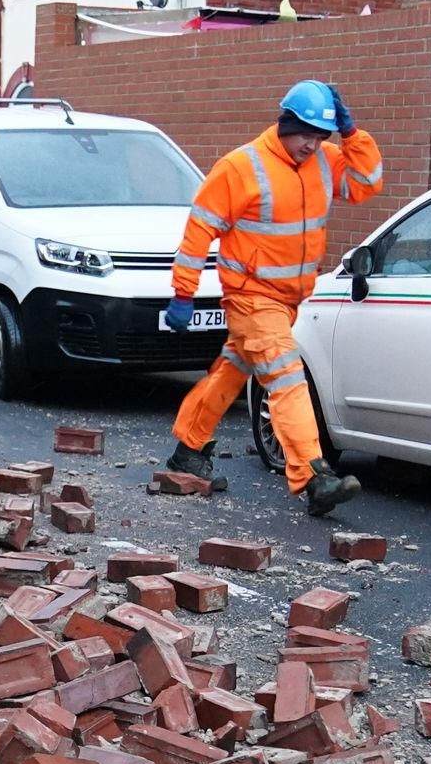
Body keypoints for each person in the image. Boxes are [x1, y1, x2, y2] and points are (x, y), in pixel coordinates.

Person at [161, 79, 382, 515]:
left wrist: (353, 135)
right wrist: (182, 292)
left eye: (321, 136)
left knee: (230, 371)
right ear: (285, 124)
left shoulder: (325, 160)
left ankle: (189, 447)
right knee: (286, 376)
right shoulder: (242, 167)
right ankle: (312, 476)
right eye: (305, 134)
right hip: (249, 296)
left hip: (288, 300)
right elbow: (199, 229)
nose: (311, 144)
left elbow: (366, 183)